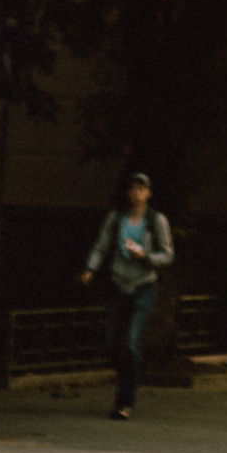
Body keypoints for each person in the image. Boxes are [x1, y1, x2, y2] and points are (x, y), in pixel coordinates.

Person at [81, 173, 174, 421]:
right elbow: (101, 246)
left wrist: (146, 257)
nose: (136, 193)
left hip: (143, 285)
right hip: (117, 284)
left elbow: (167, 254)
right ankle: (128, 377)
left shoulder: (156, 221)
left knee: (132, 342)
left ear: (148, 193)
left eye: (141, 189)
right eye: (132, 189)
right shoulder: (116, 218)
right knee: (112, 343)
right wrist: (91, 268)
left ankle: (125, 400)